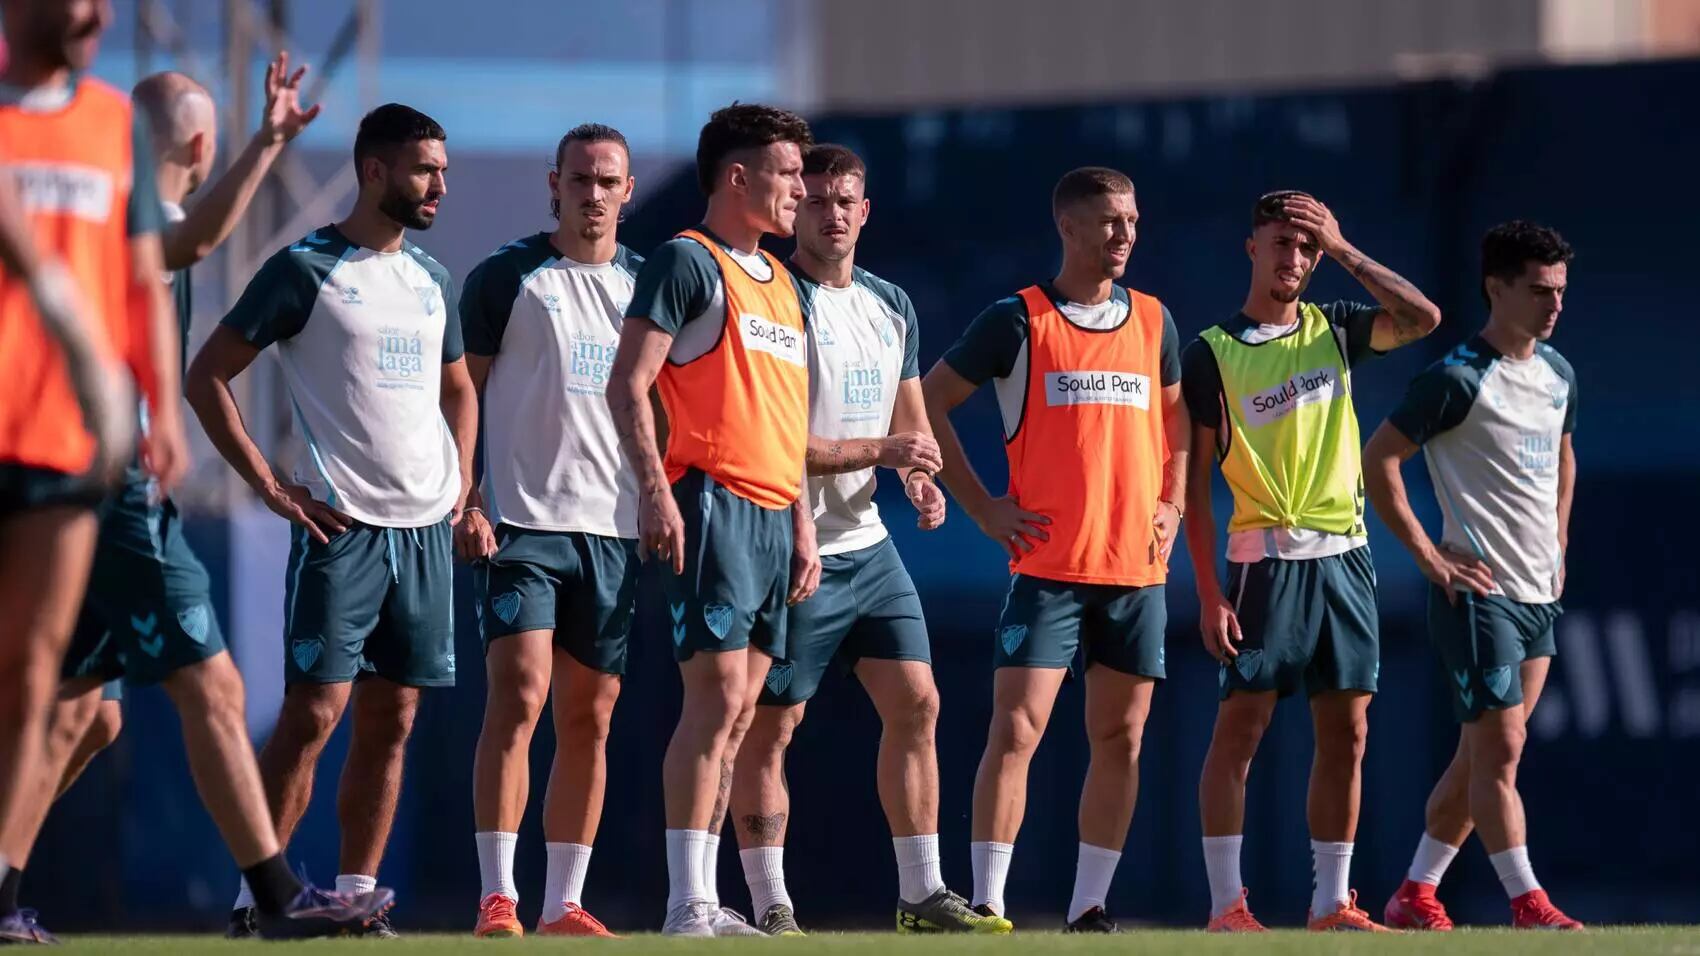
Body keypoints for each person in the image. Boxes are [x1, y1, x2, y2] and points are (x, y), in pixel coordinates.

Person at [0, 2, 384, 942]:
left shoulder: (102, 131)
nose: (90, 15)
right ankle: (279, 898)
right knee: (178, 688)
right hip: (40, 454)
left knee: (83, 719)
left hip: (104, 465)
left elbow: (164, 262)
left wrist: (161, 416)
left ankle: (4, 893)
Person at [187, 103, 475, 939]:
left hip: (423, 534)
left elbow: (460, 388)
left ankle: (354, 897)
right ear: (375, 170)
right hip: (338, 530)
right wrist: (275, 486)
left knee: (395, 720)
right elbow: (207, 375)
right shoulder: (303, 267)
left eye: (444, 170)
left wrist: (462, 482)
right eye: (425, 169)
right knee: (314, 715)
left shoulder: (431, 278)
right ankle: (261, 903)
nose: (440, 186)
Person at [726, 143, 1005, 937]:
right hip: (791, 541)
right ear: (794, 209)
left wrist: (922, 479)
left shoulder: (891, 303)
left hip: (869, 546)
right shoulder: (778, 300)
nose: (831, 212)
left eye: (845, 199)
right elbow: (773, 444)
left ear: (865, 209)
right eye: (815, 199)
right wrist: (888, 455)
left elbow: (911, 422)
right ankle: (770, 902)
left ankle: (921, 893)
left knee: (919, 702)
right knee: (773, 728)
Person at [922, 167, 1187, 932]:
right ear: (1067, 228)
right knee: (1016, 731)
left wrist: (1170, 503)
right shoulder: (1019, 320)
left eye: (1132, 220)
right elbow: (930, 400)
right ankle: (989, 904)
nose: (1125, 234)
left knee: (1122, 738)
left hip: (1135, 571)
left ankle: (1090, 906)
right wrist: (981, 507)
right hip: (1047, 570)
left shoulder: (1155, 321)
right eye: (1109, 222)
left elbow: (1177, 429)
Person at [1181, 191, 1441, 932]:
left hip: (1348, 561)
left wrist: (1347, 246)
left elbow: (1424, 319)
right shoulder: (1211, 353)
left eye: (1307, 247)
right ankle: (1226, 905)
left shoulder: (1338, 328)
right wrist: (1207, 593)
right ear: (1252, 247)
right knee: (1242, 731)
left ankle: (1332, 903)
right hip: (1265, 562)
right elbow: (1194, 491)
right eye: (1282, 243)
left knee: (1348, 733)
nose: (1294, 258)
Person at [607, 102, 818, 938]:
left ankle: (708, 896)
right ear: (739, 177)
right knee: (716, 696)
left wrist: (804, 522)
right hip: (713, 501)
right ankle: (685, 902)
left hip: (774, 513)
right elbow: (627, 383)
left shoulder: (784, 284)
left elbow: (789, 417)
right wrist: (656, 490)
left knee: (744, 713)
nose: (801, 187)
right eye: (788, 172)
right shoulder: (685, 262)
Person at [1370, 221, 1582, 932]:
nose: (1554, 304)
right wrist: (1430, 558)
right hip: (1477, 596)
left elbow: (1565, 456)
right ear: (1497, 288)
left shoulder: (1557, 374)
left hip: (1536, 597)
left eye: (1559, 290)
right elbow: (1380, 461)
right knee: (1503, 750)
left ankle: (1414, 893)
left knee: (1478, 759)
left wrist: (1558, 538)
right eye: (1539, 290)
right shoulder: (1456, 378)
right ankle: (1529, 903)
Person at [459, 123, 642, 939]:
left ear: (627, 191)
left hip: (614, 530)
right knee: (520, 695)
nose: (593, 194)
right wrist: (467, 496)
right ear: (554, 184)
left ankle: (563, 901)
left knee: (590, 717)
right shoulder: (508, 275)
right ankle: (498, 894)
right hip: (522, 523)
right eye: (580, 179)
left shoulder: (652, 285)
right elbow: (463, 397)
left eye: (608, 181)